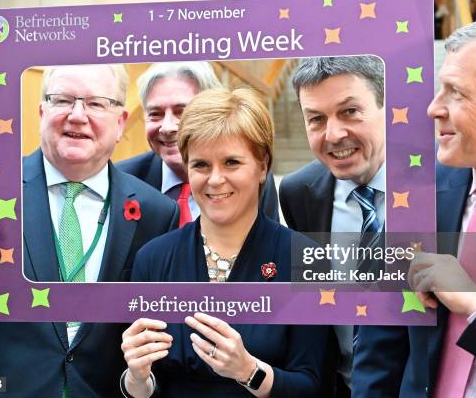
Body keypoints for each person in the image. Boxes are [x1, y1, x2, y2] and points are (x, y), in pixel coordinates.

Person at [0, 64, 179, 397]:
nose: (77, 115)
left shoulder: (156, 212)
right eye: (62, 100)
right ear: (41, 111)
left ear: (120, 122)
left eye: (95, 103)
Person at [352, 14, 476, 397]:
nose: (434, 108)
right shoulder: (417, 194)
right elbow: (379, 350)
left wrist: (475, 303)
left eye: (457, 93)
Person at [120, 88, 329, 397]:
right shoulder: (153, 259)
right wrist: (137, 378)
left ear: (262, 166)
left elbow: (314, 384)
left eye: (231, 162)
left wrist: (248, 370)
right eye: (201, 165)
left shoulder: (305, 258)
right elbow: (147, 384)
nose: (215, 179)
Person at [279, 55, 387, 395]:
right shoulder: (299, 193)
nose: (334, 134)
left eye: (349, 111)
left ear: (387, 107)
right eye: (316, 119)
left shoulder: (437, 185)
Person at [117, 62, 280, 225]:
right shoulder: (123, 180)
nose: (167, 127)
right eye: (155, 114)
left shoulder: (249, 177)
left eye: (182, 112)